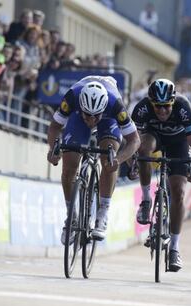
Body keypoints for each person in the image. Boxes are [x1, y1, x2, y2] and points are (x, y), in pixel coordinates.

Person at [47, 76, 140, 244]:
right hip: (77, 116)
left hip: (108, 118)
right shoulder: (72, 98)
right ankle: (71, 216)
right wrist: (53, 149)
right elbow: (55, 126)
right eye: (87, 116)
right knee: (69, 166)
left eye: (95, 117)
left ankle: (103, 213)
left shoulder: (115, 105)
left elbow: (134, 140)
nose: (91, 121)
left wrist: (118, 159)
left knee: (109, 159)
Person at [131, 78, 191, 272]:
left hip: (178, 143)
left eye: (166, 107)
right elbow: (130, 141)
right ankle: (146, 200)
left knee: (178, 192)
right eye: (158, 107)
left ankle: (174, 248)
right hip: (152, 138)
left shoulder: (183, 107)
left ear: (173, 102)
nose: (162, 111)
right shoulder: (142, 108)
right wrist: (133, 164)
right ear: (150, 103)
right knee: (143, 149)